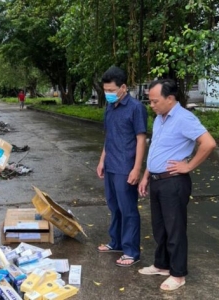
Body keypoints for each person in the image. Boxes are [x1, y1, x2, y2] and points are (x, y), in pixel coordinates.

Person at [138, 79, 216, 291]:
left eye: (155, 101)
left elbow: (209, 143)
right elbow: (155, 149)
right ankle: (162, 265)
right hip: (156, 180)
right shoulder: (159, 119)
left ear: (170, 99)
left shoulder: (184, 118)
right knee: (159, 228)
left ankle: (178, 274)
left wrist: (189, 165)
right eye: (150, 101)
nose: (151, 105)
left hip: (173, 182)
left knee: (175, 229)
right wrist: (146, 175)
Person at [96, 66, 148, 267]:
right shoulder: (110, 107)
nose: (108, 94)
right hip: (110, 165)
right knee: (114, 207)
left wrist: (137, 169)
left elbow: (141, 139)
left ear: (123, 87)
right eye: (105, 90)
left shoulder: (136, 108)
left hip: (126, 166)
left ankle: (131, 251)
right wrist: (102, 160)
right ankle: (115, 242)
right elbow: (109, 136)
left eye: (111, 90)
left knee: (128, 210)